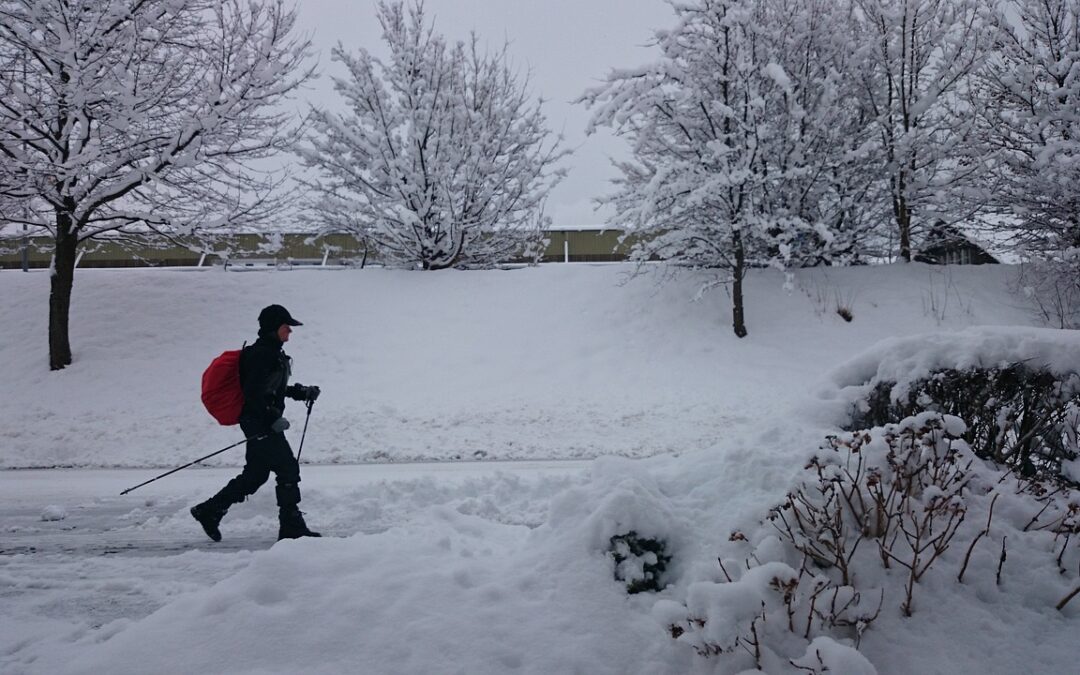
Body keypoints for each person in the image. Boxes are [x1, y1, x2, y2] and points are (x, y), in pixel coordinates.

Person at [190, 304, 322, 541]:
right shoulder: (261, 354)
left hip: (260, 420)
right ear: (274, 328)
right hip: (259, 422)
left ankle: (210, 510)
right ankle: (291, 527)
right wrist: (272, 417)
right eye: (286, 327)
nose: (290, 332)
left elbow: (270, 388)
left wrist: (300, 392)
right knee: (288, 469)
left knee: (256, 474)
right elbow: (253, 392)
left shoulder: (272, 352)